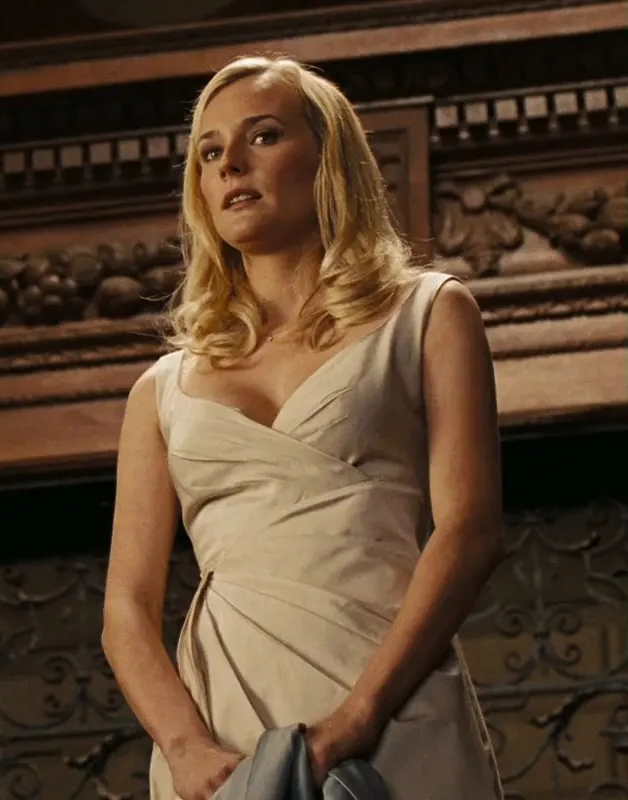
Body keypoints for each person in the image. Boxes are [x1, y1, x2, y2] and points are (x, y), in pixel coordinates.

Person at [100, 55, 507, 800]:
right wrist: (185, 747)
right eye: (210, 153)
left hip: (394, 707)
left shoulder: (430, 313)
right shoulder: (160, 391)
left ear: (329, 159)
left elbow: (471, 530)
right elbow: (125, 607)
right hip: (224, 738)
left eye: (262, 136)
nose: (231, 164)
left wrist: (360, 714)